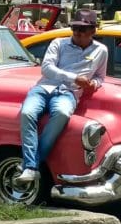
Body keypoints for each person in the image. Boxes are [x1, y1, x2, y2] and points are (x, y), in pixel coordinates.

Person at [14, 10, 107, 187]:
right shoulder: (59, 43)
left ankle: (30, 166)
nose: (78, 33)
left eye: (83, 29)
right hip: (44, 87)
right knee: (27, 113)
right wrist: (74, 78)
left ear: (93, 31)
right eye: (75, 28)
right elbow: (47, 68)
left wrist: (93, 83)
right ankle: (32, 166)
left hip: (69, 93)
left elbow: (101, 77)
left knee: (62, 114)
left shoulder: (101, 50)